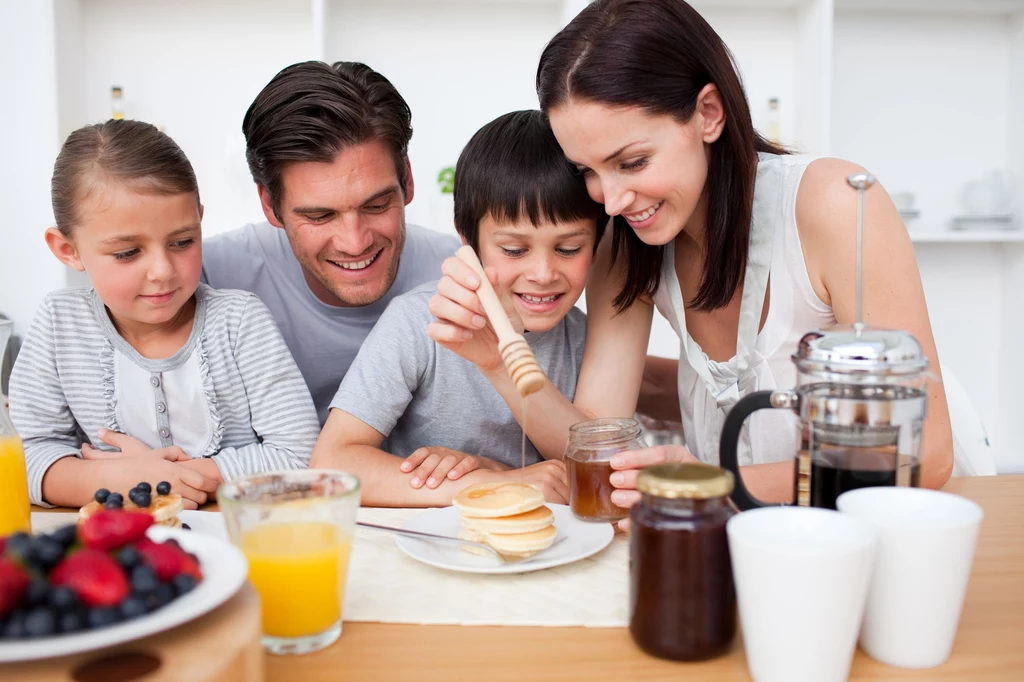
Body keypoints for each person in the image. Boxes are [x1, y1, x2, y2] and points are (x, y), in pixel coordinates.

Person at [428, 0, 953, 527]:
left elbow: (923, 456)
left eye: (632, 163)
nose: (609, 201)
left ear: (708, 113)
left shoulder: (834, 203)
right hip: (733, 532)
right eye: (587, 170)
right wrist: (497, 361)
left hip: (874, 522)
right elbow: (593, 434)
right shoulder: (628, 241)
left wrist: (714, 483)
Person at [9, 120, 321, 509]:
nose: (162, 271)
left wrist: (166, 478)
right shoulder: (59, 325)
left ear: (200, 221)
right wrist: (122, 477)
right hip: (114, 546)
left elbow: (299, 456)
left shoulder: (240, 321)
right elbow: (23, 459)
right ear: (68, 249)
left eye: (182, 242)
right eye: (127, 253)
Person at [310, 110, 606, 506]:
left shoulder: (588, 342)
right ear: (468, 240)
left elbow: (600, 476)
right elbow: (330, 465)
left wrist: (498, 471)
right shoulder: (419, 321)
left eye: (569, 249)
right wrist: (490, 485)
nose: (543, 272)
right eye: (514, 249)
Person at [202, 61, 460, 425]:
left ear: (408, 180)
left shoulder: (462, 275)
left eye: (376, 205)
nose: (355, 243)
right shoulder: (207, 275)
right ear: (269, 205)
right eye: (320, 216)